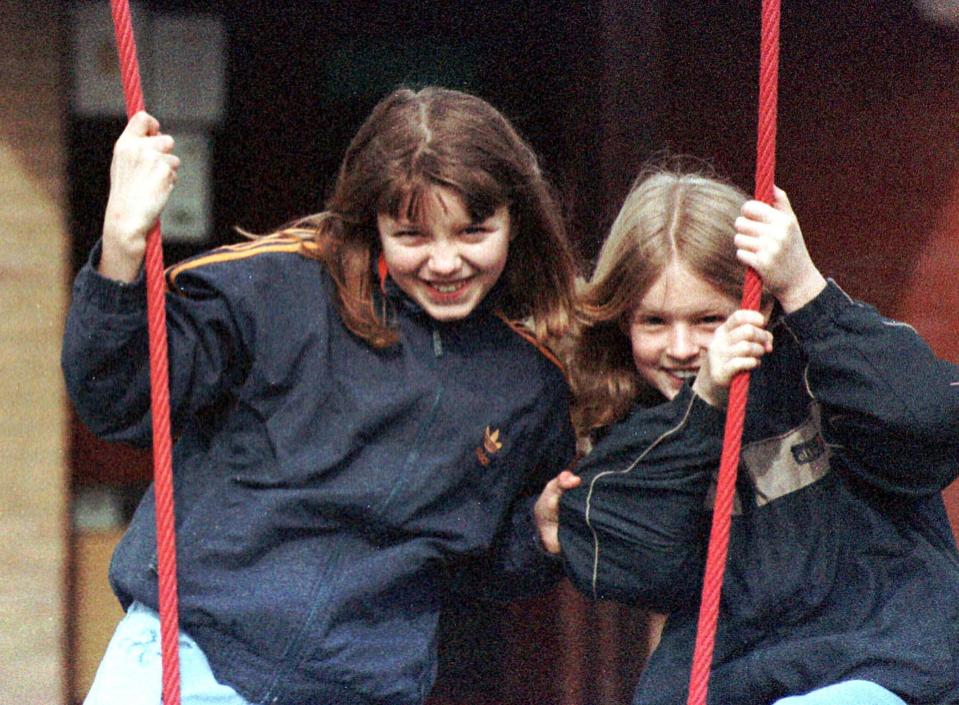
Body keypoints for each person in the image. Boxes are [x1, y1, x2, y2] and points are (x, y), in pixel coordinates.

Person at [63, 86, 580, 705]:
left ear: (515, 220)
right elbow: (117, 396)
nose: (446, 262)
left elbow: (480, 563)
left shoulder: (529, 381)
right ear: (374, 223)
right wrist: (122, 237)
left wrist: (540, 532)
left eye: (474, 232)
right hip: (187, 651)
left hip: (357, 687)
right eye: (412, 234)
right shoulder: (276, 288)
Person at [535, 168, 959, 705]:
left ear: (758, 306)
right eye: (654, 323)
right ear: (623, 323)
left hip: (885, 663)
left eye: (710, 318)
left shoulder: (827, 366)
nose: (682, 347)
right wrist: (703, 406)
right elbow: (623, 555)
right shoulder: (638, 428)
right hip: (741, 680)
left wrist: (805, 289)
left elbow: (930, 421)